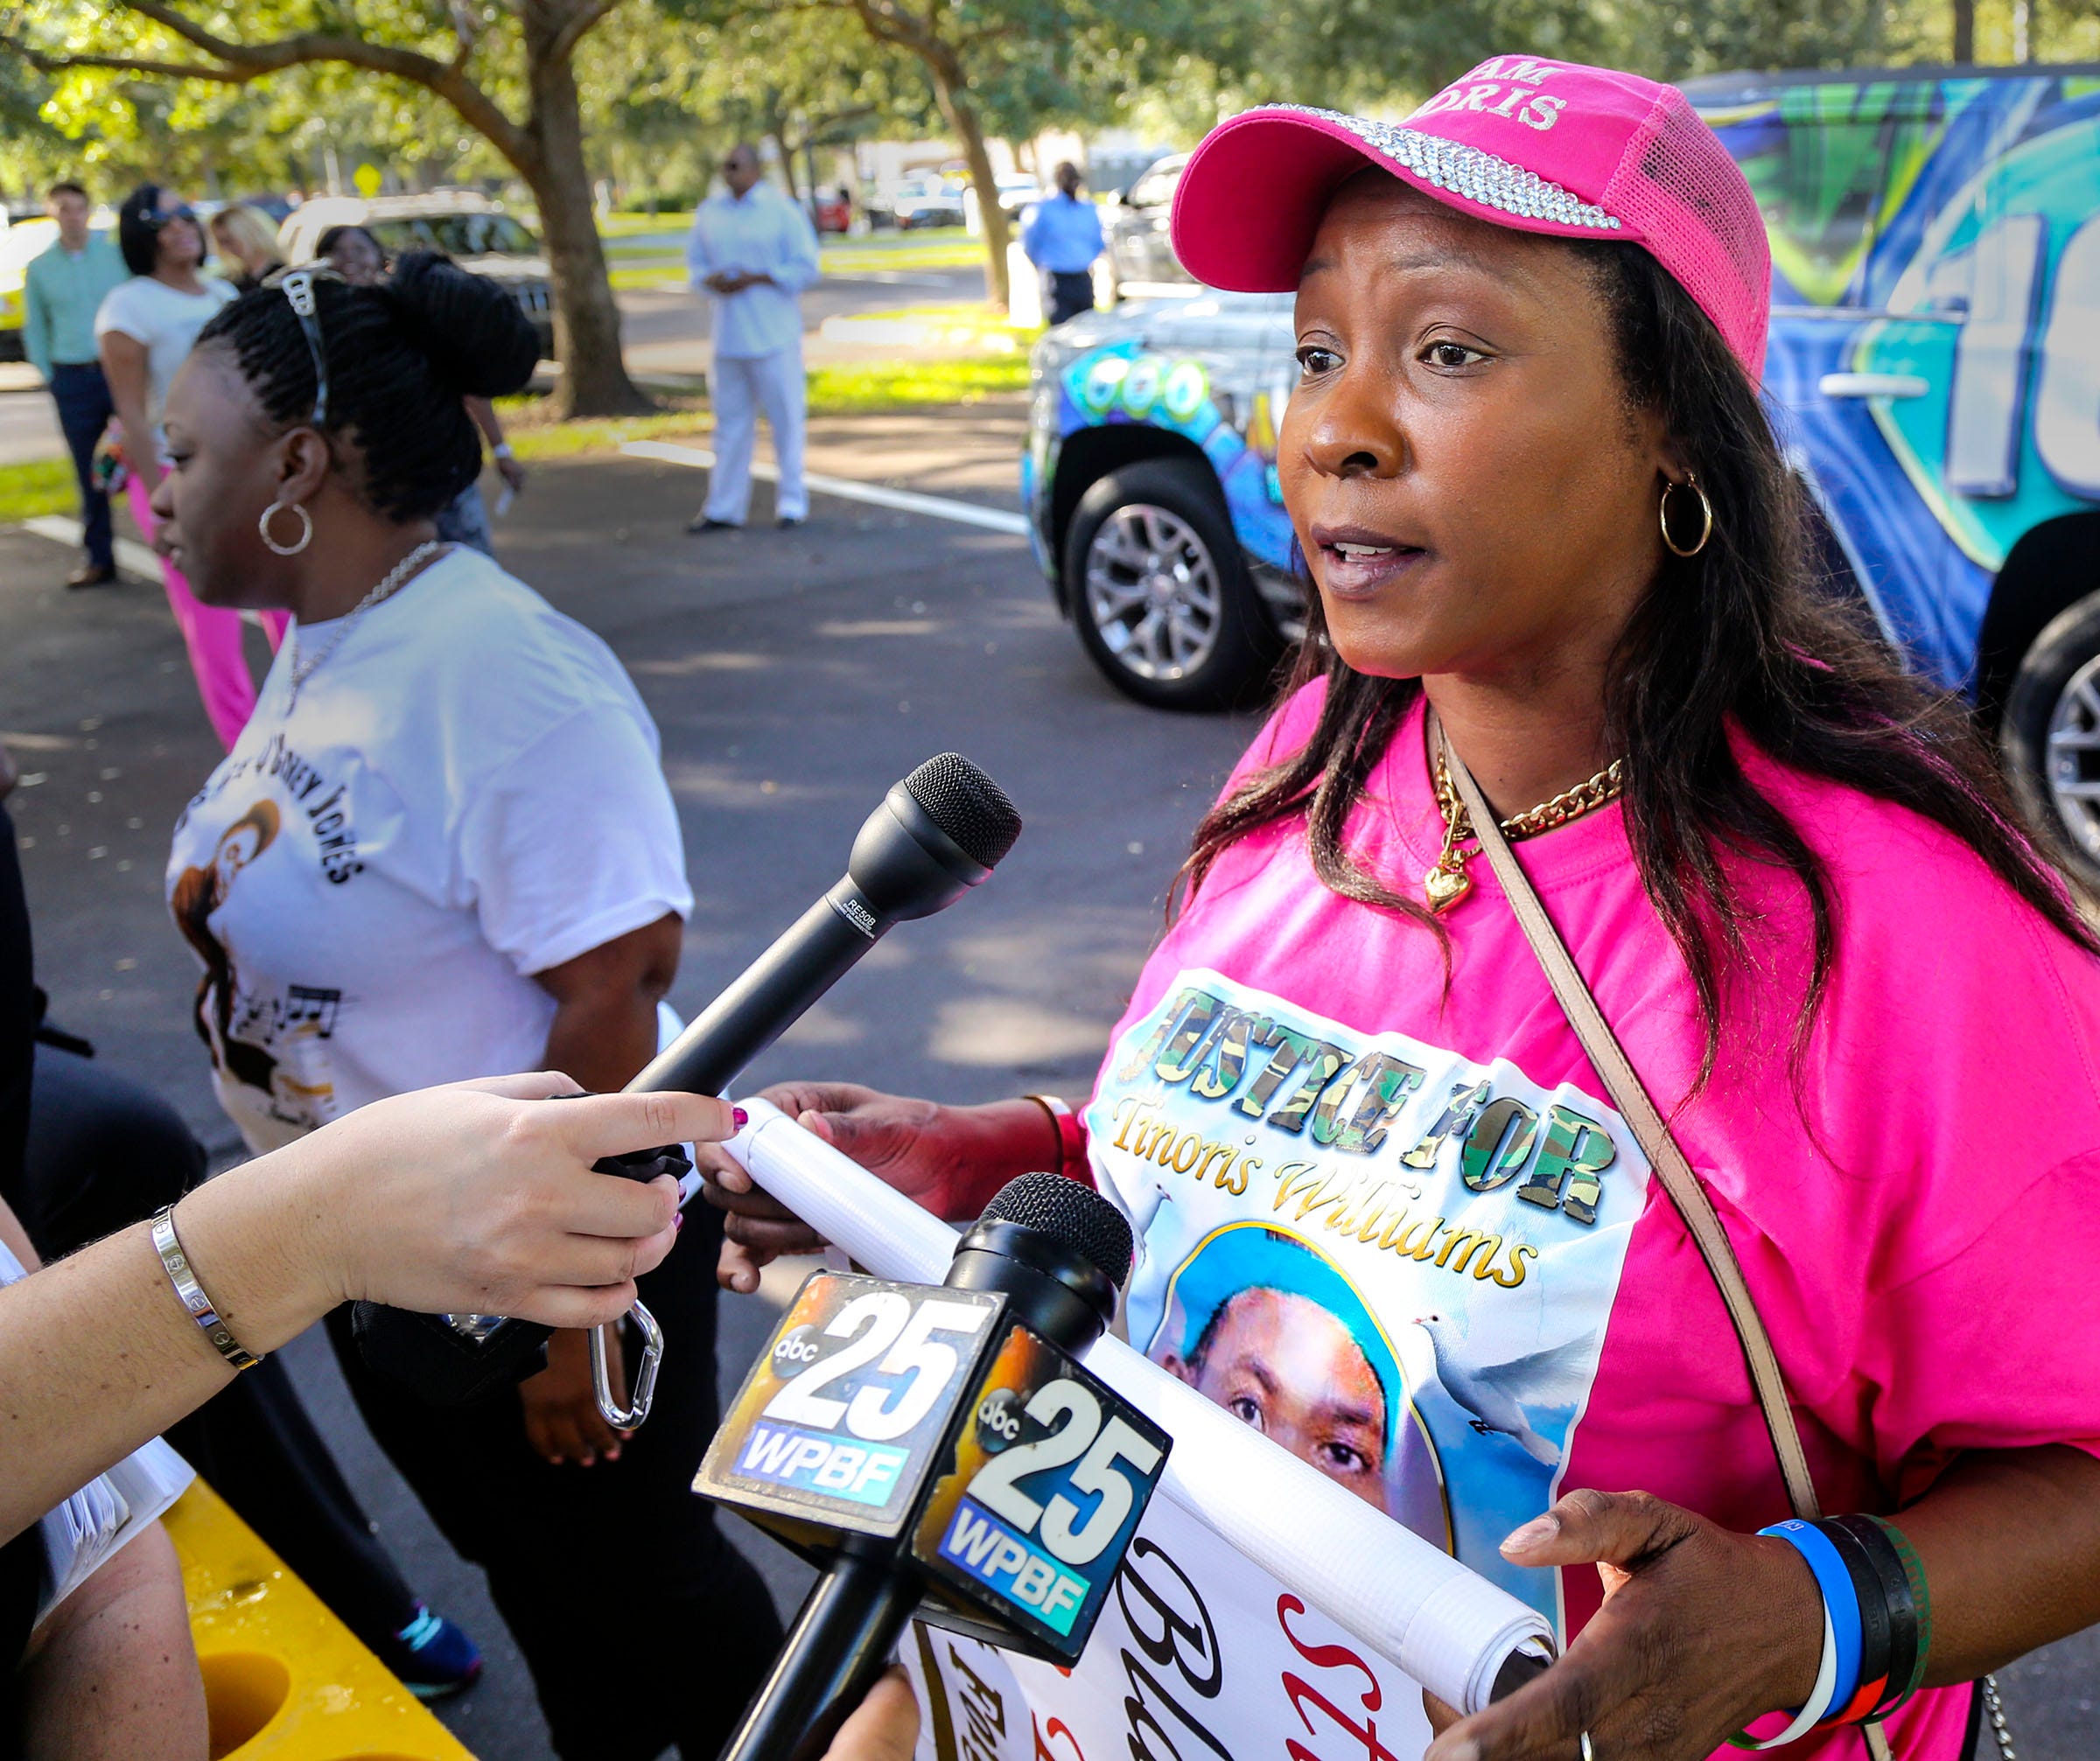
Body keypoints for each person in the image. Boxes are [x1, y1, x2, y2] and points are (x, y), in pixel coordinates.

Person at [703, 56, 2100, 1761]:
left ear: (1674, 424)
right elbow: (1279, 1168)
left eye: (1445, 348)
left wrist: (1815, 1612)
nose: (1333, 426)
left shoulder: (1904, 927)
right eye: (1313, 349)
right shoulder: (1308, 762)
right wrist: (1010, 1158)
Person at [150, 251, 781, 1758]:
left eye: (181, 452)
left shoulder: (505, 674)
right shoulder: (333, 641)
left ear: (299, 461)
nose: (145, 478)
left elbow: (619, 987)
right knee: (546, 1586)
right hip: (392, 1257)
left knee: (653, 1589)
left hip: (538, 1267)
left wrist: (574, 1311)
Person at [0, 1074, 719, 1758]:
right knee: (515, 1549)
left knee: (650, 1569)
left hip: (90, 1588)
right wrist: (306, 1228)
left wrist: (311, 1226)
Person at [97, 184, 286, 750]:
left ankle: (301, 728)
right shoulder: (128, 306)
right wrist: (162, 508)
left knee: (283, 601)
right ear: (141, 233)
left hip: (245, 469)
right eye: (166, 218)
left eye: (186, 215)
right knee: (212, 627)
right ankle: (249, 753)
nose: (183, 226)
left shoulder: (221, 293)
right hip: (174, 475)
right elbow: (131, 414)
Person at [317, 223, 526, 556]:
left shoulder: (414, 312)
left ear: (378, 256)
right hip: (374, 477)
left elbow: (469, 388)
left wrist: (500, 450)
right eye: (337, 252)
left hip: (441, 463)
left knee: (465, 561)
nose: (349, 260)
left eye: (359, 249)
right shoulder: (319, 329)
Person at [684, 143, 822, 533]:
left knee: (786, 420)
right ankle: (724, 508)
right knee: (729, 425)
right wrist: (711, 282)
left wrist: (759, 277)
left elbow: (806, 265)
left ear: (754, 169)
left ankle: (792, 502)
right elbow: (695, 266)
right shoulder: (710, 212)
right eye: (724, 166)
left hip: (774, 333)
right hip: (728, 335)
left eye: (735, 166)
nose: (729, 173)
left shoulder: (781, 211)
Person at [21, 180, 127, 588]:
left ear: (88, 210)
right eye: (63, 208)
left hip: (118, 373)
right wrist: (51, 375)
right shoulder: (42, 268)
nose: (71, 215)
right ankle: (100, 558)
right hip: (73, 379)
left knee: (143, 456)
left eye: (78, 207)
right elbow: (37, 329)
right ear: (52, 213)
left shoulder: (114, 257)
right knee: (91, 472)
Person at [1021, 161, 1103, 326]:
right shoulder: (1042, 210)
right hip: (1056, 280)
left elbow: (1098, 243)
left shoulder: (1088, 209)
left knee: (1086, 330)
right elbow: (1030, 244)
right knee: (1060, 331)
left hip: (1083, 278)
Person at [207, 202, 286, 293]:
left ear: (248, 234)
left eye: (230, 239)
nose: (226, 247)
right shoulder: (230, 282)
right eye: (221, 242)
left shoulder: (286, 275)